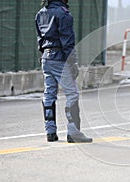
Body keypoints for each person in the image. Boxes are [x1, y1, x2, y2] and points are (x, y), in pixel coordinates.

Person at [35, 0, 92, 143]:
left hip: (46, 58)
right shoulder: (63, 14)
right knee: (72, 94)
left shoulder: (40, 13)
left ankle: (50, 132)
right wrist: (73, 63)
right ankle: (73, 133)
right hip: (60, 59)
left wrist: (44, 56)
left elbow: (40, 39)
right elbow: (68, 42)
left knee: (49, 95)